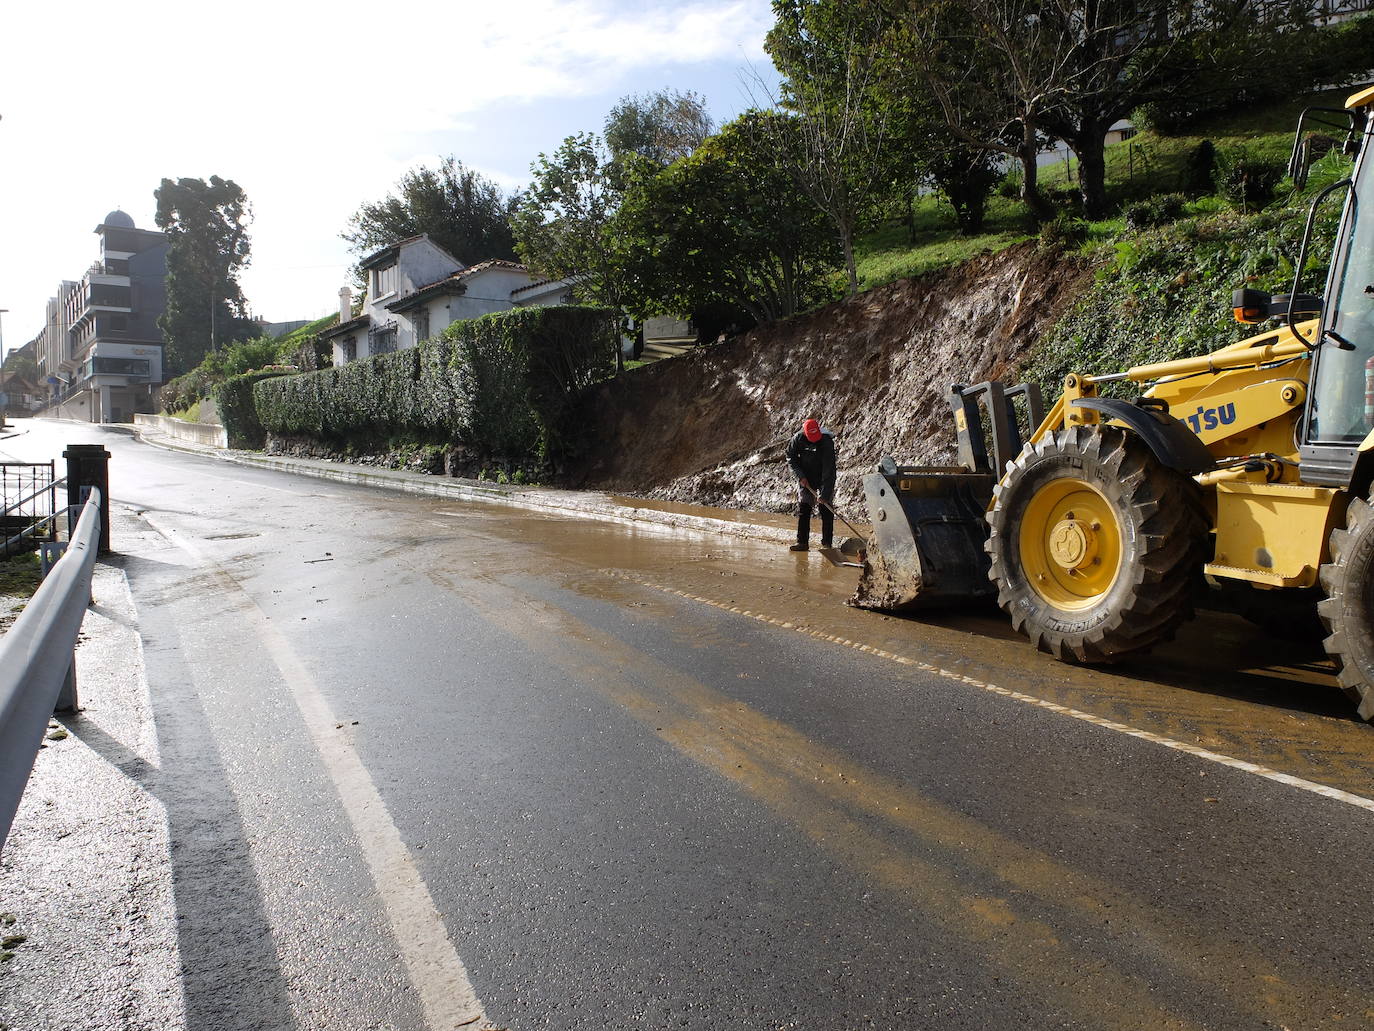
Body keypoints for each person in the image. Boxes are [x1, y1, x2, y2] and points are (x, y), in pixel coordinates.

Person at [786, 418, 836, 552]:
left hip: (823, 477)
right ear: (805, 433)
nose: (814, 440)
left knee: (826, 508)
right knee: (804, 508)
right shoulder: (798, 439)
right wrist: (800, 475)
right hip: (805, 477)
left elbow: (829, 470)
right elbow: (791, 457)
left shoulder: (826, 442)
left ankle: (827, 544)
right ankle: (802, 542)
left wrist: (825, 493)